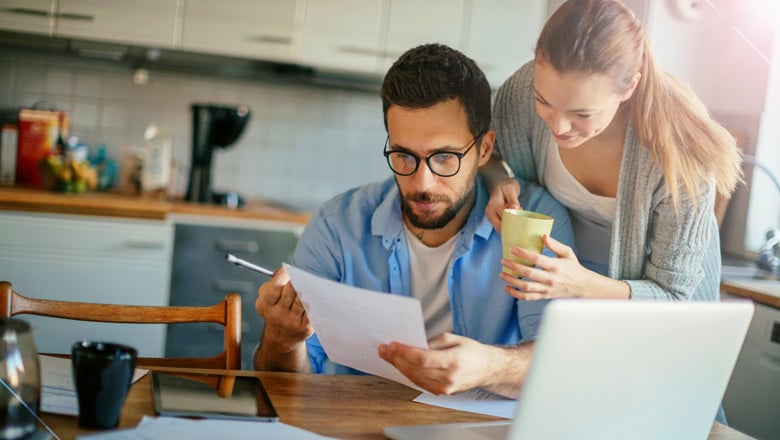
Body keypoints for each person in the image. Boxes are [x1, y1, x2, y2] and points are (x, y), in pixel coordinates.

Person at [253, 43, 574, 398]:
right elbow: (288, 385)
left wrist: (488, 367)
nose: (422, 183)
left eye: (444, 157)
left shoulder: (533, 223)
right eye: (404, 156)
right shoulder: (337, 225)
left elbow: (560, 363)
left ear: (484, 149)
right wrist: (282, 340)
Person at [484, 0, 742, 303]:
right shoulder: (522, 91)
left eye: (582, 114)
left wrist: (581, 284)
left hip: (659, 311)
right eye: (544, 101)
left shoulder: (678, 156)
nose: (559, 126)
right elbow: (487, 153)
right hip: (564, 287)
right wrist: (499, 180)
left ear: (629, 88)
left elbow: (673, 295)